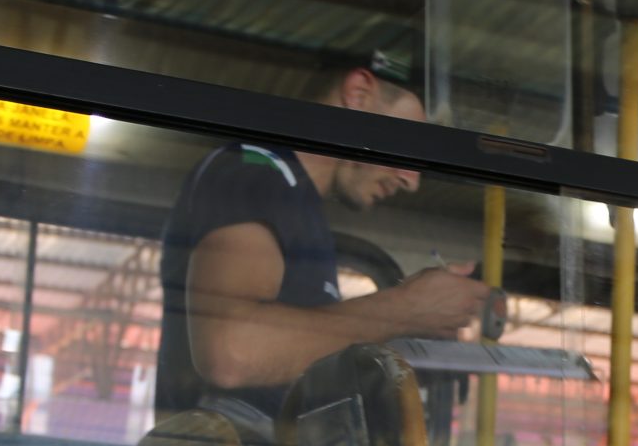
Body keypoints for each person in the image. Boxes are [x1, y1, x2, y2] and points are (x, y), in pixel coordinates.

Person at [156, 30, 497, 422]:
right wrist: (405, 308)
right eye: (413, 146)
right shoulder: (256, 173)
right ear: (358, 93)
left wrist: (408, 331)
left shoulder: (299, 205)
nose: (411, 180)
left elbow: (288, 363)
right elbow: (231, 353)